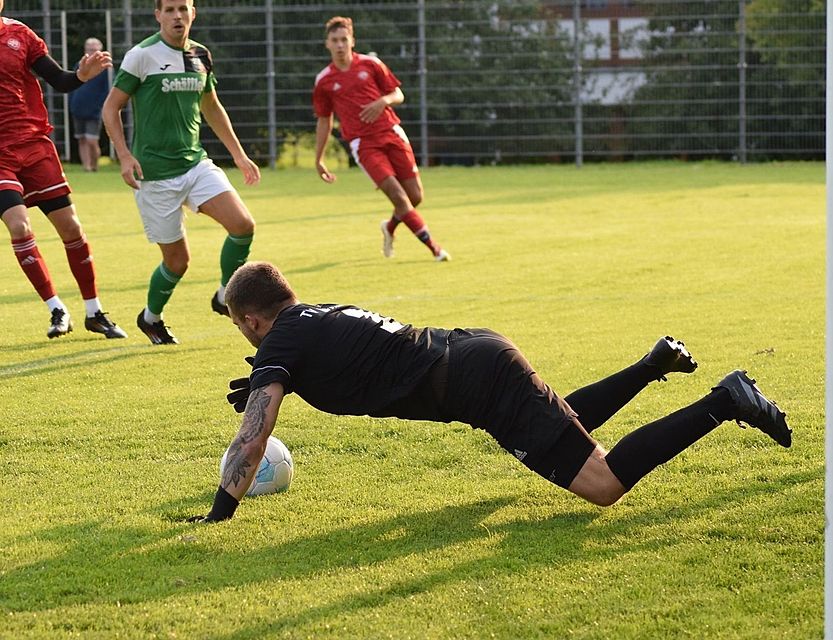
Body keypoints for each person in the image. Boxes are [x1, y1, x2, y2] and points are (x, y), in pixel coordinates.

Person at [188, 261, 792, 523]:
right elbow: (345, 366)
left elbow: (253, 434)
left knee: (603, 485)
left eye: (240, 324)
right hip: (474, 354)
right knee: (559, 421)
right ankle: (652, 364)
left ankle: (726, 400)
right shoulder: (310, 319)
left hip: (475, 382)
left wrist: (220, 513)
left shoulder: (280, 346)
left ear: (252, 320)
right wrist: (280, 381)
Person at [102, 0, 259, 345]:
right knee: (177, 262)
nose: (177, 16)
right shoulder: (141, 55)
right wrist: (125, 157)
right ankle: (151, 317)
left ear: (193, 13)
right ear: (158, 15)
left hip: (194, 164)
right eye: (169, 9)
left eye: (182, 9)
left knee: (243, 225)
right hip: (154, 175)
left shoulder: (200, 54)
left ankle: (223, 296)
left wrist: (240, 155)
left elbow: (212, 107)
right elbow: (111, 107)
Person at [0, 1, 126, 339]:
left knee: (70, 228)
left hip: (34, 145)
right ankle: (56, 307)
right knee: (18, 225)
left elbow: (60, 80)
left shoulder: (19, 34)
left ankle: (94, 311)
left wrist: (83, 75)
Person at [313, 16, 450, 262]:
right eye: (335, 40)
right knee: (398, 197)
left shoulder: (371, 64)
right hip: (363, 144)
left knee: (415, 197)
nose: (340, 45)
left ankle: (389, 227)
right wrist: (319, 158)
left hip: (391, 132)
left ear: (352, 40)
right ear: (327, 44)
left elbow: (397, 93)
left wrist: (382, 101)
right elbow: (324, 119)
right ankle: (435, 248)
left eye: (344, 39)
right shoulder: (324, 80)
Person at [68, 37, 109, 172]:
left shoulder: (105, 69)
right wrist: (71, 102)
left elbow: (108, 90)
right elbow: (72, 83)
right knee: (81, 139)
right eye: (89, 49)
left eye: (94, 50)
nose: (92, 52)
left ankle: (94, 166)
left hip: (95, 110)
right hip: (78, 107)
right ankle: (86, 167)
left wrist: (100, 105)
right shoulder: (79, 64)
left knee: (92, 140)